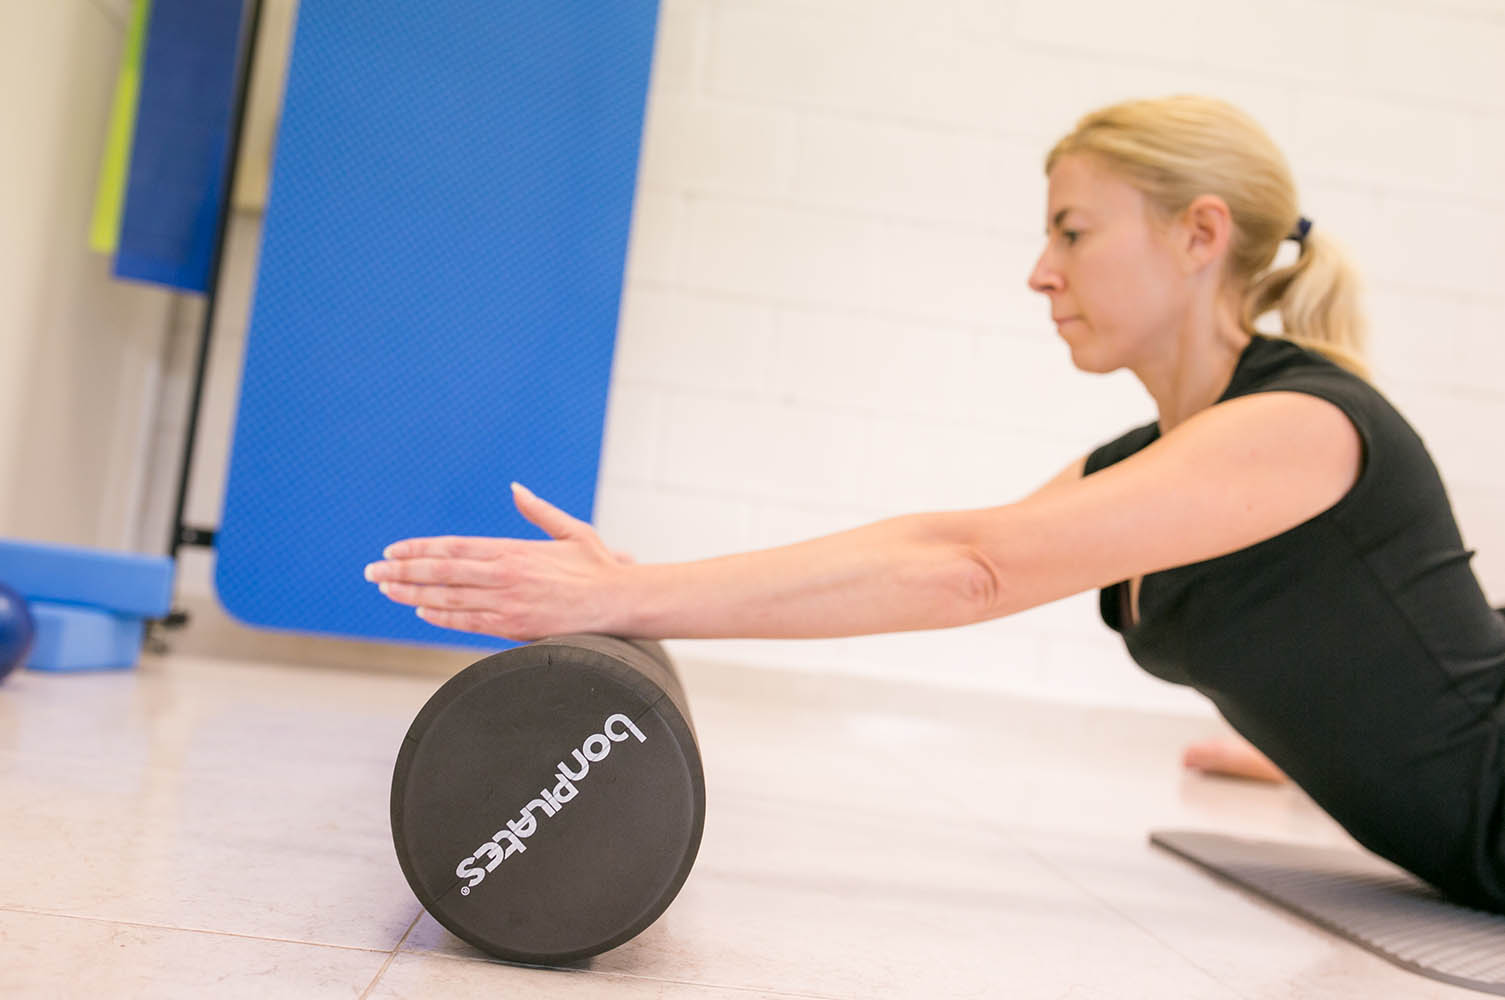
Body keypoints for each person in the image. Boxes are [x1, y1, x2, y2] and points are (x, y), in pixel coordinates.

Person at [364, 95, 1505, 913]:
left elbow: (970, 566)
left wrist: (632, 593)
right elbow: (947, 557)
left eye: (1071, 229)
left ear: (1197, 235)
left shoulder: (1305, 421)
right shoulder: (1151, 459)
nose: (1038, 271)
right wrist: (636, 589)